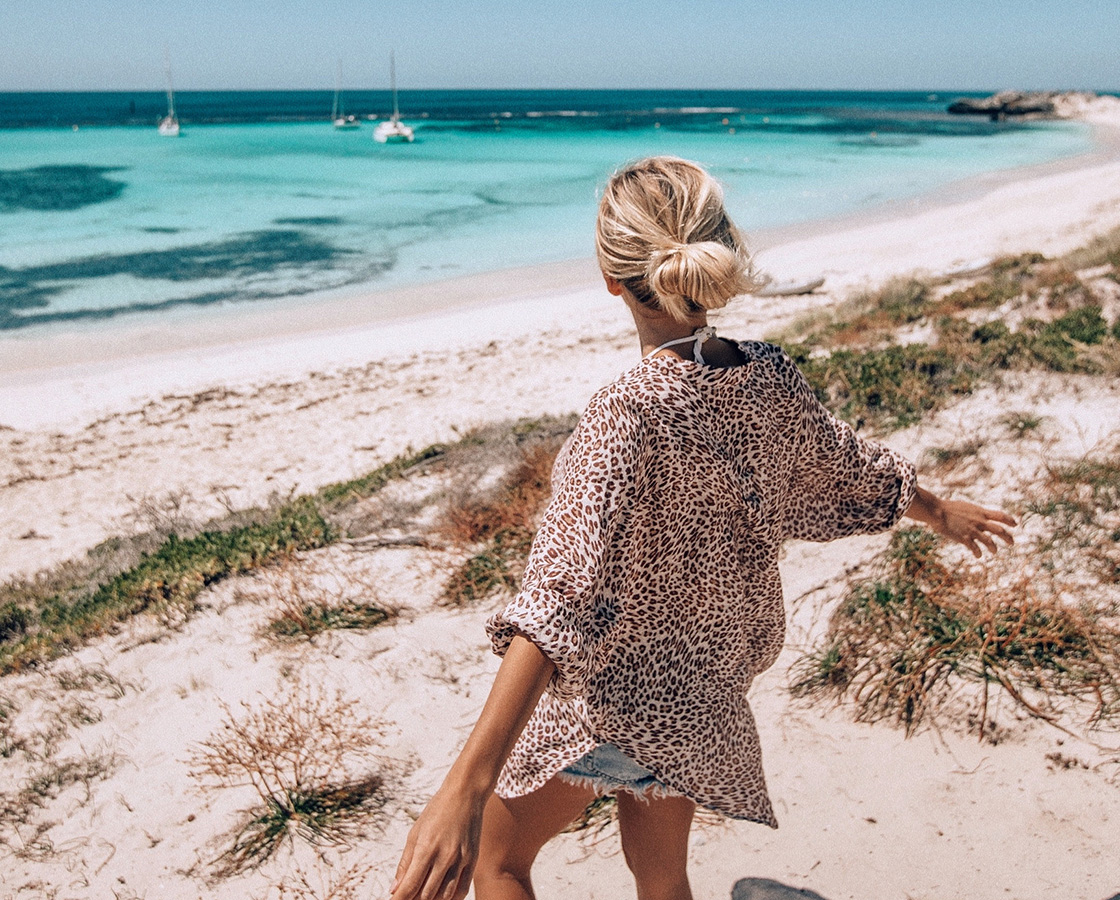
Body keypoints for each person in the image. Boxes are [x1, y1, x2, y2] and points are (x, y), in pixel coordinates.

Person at [390, 156, 1015, 900]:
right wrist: (937, 510)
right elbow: (844, 468)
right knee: (661, 879)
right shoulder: (768, 376)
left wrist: (467, 782)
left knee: (499, 861)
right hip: (702, 700)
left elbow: (558, 600)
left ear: (611, 277)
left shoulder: (625, 413)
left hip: (609, 706)